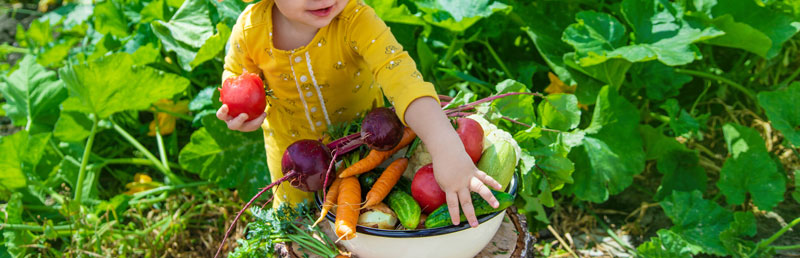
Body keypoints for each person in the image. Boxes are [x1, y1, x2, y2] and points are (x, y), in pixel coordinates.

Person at [216, 0, 500, 228]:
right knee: (298, 230)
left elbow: (404, 81)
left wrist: (445, 146)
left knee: (371, 223)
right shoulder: (250, 29)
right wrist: (242, 112)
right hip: (295, 172)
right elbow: (238, 79)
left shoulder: (357, 21)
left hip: (368, 159)